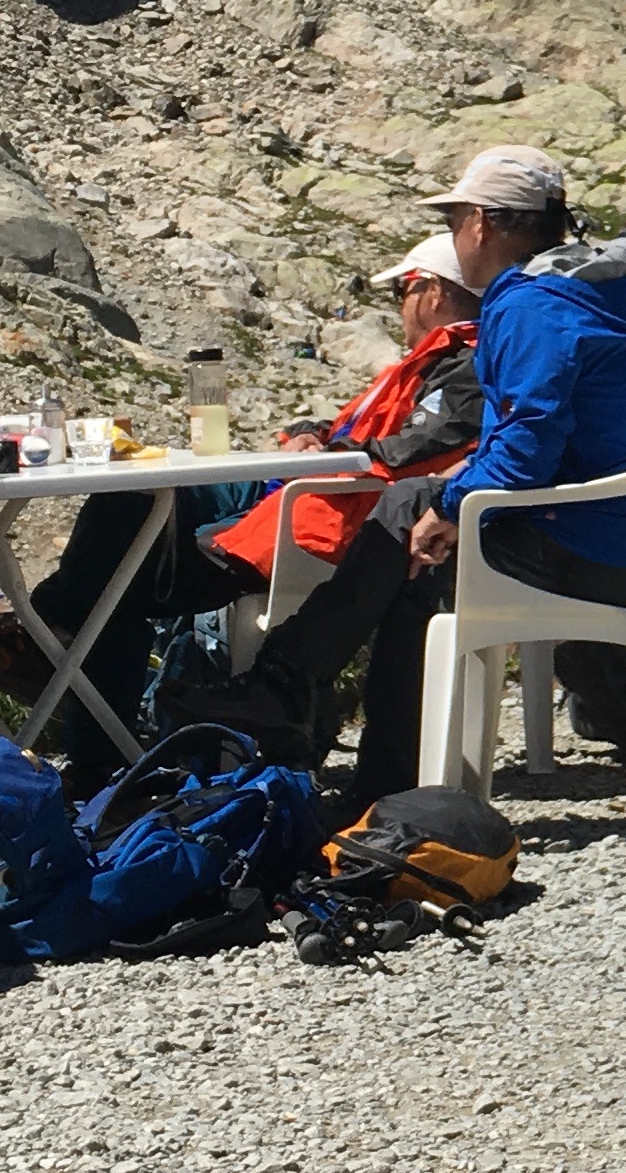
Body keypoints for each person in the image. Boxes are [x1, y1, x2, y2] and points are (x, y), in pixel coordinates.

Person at [174, 149, 626, 806]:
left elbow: (525, 446)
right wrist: (448, 506)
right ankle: (360, 763)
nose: (454, 235)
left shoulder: (534, 306)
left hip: (592, 550)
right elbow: (525, 442)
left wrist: (449, 504)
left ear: (480, 223)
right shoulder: (589, 296)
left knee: (409, 523)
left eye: (452, 220)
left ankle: (296, 699)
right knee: (414, 538)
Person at [26, 235, 483, 777]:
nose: (401, 308)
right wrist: (311, 435)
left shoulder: (466, 367)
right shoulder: (435, 362)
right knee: (127, 502)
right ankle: (58, 625)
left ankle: (58, 658)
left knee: (116, 580)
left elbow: (408, 451)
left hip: (321, 516)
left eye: (401, 293)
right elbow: (366, 432)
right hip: (294, 491)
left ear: (430, 293)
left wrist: (329, 452)